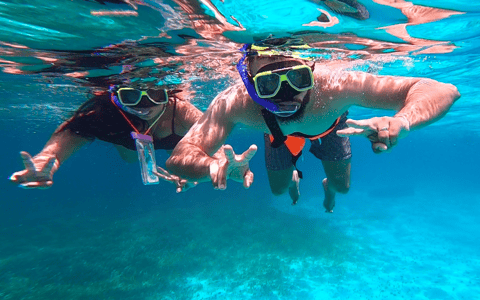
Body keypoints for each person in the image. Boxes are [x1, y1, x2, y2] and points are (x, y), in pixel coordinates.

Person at [165, 40, 460, 207]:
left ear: (313, 70)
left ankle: (326, 188)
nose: (286, 94)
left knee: (342, 188)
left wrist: (404, 119)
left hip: (333, 126)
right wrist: (210, 166)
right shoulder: (237, 101)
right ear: (250, 84)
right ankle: (294, 177)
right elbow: (180, 155)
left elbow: (444, 90)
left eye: (298, 78)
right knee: (279, 191)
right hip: (277, 135)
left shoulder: (336, 86)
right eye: (268, 85)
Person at [9, 85, 205, 190]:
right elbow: (75, 129)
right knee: (130, 157)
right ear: (117, 95)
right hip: (128, 143)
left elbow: (210, 134)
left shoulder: (180, 111)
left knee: (183, 145)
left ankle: (180, 155)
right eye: (131, 96)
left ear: (168, 93)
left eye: (155, 94)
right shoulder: (108, 113)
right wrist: (46, 157)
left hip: (177, 139)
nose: (145, 104)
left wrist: (196, 170)